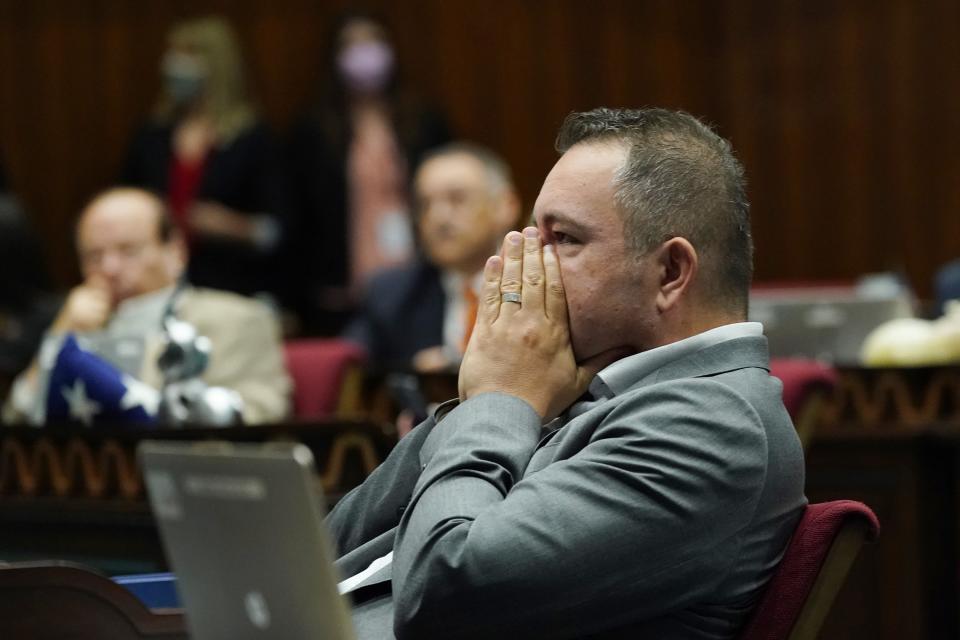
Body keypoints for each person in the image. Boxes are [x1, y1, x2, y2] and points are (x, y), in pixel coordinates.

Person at [326, 108, 807, 639]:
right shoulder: (582, 383)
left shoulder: (715, 425)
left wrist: (497, 399)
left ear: (670, 273)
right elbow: (329, 549)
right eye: (534, 235)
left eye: (564, 239)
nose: (528, 264)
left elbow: (443, 588)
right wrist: (481, 405)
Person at [3, 188, 291, 425]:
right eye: (94, 256)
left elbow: (262, 411)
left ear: (176, 252)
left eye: (128, 251)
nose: (110, 268)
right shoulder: (72, 324)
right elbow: (16, 418)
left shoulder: (236, 318)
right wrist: (61, 333)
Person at [286, 10, 452, 335]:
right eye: (352, 44)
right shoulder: (314, 129)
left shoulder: (422, 120)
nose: (364, 53)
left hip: (417, 274)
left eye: (372, 41)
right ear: (335, 56)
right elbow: (300, 216)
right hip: (338, 287)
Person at [121, 16, 288, 300]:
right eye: (173, 53)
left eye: (189, 55)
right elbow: (124, 197)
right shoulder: (153, 134)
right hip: (159, 288)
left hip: (232, 285)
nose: (175, 64)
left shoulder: (251, 138)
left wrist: (233, 226)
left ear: (217, 65)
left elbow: (278, 230)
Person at [344, 143, 520, 371]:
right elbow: (350, 371)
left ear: (505, 206)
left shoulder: (540, 284)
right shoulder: (391, 296)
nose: (438, 217)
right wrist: (416, 375)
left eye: (457, 199)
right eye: (425, 204)